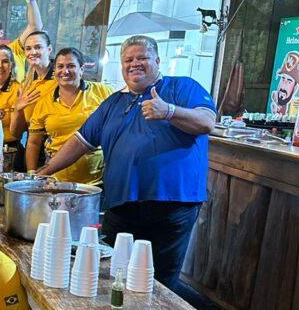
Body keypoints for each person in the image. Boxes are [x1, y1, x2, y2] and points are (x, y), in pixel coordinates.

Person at [36, 35, 217, 288]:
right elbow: (81, 141)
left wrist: (169, 111)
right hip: (121, 204)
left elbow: (207, 122)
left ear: (157, 60)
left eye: (142, 57)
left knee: (158, 282)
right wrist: (43, 172)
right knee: (112, 275)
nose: (135, 64)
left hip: (171, 204)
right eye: (128, 60)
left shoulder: (182, 87)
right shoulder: (113, 102)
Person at [25, 47, 113, 184]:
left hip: (96, 182)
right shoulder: (44, 102)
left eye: (71, 66)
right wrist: (31, 174)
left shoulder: (102, 92)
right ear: (54, 72)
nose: (65, 71)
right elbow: (33, 142)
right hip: (55, 180)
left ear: (81, 69)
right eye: (60, 66)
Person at [10, 29, 57, 141]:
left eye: (38, 47)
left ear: (49, 49)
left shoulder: (60, 78)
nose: (33, 52)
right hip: (32, 145)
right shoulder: (26, 84)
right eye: (28, 48)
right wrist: (18, 109)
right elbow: (16, 133)